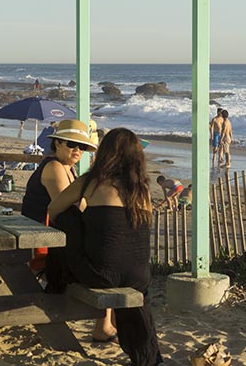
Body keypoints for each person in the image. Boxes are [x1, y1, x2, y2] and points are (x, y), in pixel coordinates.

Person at [48, 128, 162, 365]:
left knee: (68, 217)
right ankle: (147, 356)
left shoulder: (91, 181)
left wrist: (84, 217)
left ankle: (56, 281)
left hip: (100, 274)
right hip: (139, 277)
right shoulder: (143, 190)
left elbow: (54, 209)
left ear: (105, 154)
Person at [21, 120, 116, 342]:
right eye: (71, 144)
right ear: (57, 144)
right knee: (107, 262)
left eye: (81, 147)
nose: (77, 150)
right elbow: (69, 208)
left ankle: (106, 323)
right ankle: (103, 326)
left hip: (47, 238)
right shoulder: (54, 167)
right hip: (42, 244)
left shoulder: (66, 168)